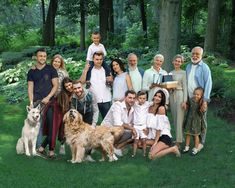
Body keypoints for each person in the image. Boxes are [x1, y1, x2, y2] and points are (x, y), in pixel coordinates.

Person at [27, 48, 59, 158]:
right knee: (37, 127)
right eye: (40, 56)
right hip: (36, 102)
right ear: (36, 57)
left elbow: (56, 85)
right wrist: (31, 102)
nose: (42, 58)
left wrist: (48, 97)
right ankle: (38, 148)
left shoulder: (51, 69)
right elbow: (30, 88)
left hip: (49, 102)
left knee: (51, 126)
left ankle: (48, 149)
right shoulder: (31, 71)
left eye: (44, 56)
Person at [186, 46, 212, 150]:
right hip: (191, 99)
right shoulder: (188, 66)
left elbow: (209, 83)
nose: (195, 56)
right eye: (193, 53)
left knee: (202, 121)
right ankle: (194, 140)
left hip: (200, 99)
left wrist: (205, 101)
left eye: (197, 54)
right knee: (192, 120)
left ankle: (201, 142)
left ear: (201, 55)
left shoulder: (204, 67)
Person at [101, 90, 137, 156]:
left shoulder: (133, 107)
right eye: (130, 98)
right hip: (105, 131)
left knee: (135, 133)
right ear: (125, 97)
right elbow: (117, 123)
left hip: (114, 132)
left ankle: (115, 147)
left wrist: (134, 129)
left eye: (134, 98)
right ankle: (107, 145)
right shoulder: (117, 105)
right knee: (120, 129)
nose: (132, 100)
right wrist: (132, 128)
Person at [71, 80, 99, 161]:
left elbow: (96, 110)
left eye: (79, 88)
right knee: (78, 136)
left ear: (82, 87)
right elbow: (73, 111)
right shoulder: (72, 98)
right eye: (75, 89)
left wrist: (93, 124)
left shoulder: (90, 94)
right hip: (78, 115)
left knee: (89, 136)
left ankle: (88, 155)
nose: (77, 90)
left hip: (88, 113)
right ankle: (77, 155)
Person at [148, 90, 181, 160]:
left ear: (162, 99)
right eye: (156, 95)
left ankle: (173, 149)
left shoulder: (161, 109)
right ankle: (160, 147)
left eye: (159, 97)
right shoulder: (150, 107)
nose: (157, 98)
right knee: (139, 143)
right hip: (154, 136)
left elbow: (159, 128)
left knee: (151, 156)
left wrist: (155, 143)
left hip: (163, 136)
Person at [80, 52, 112, 119]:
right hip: (93, 100)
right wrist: (85, 70)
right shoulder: (89, 70)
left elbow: (111, 83)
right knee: (91, 122)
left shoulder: (106, 70)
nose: (99, 61)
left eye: (101, 59)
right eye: (97, 59)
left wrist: (111, 80)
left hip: (105, 99)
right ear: (93, 59)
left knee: (108, 121)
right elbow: (82, 82)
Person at [169, 55, 187, 149]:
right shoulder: (170, 73)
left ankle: (178, 142)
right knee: (175, 118)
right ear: (173, 61)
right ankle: (179, 137)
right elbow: (168, 86)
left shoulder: (183, 73)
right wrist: (170, 89)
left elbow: (185, 87)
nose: (177, 62)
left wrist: (185, 101)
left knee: (180, 118)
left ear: (181, 63)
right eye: (176, 61)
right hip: (172, 96)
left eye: (179, 61)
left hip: (180, 95)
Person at [183, 87, 206, 156]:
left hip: (196, 122)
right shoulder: (191, 100)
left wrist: (203, 109)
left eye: (198, 95)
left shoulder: (201, 103)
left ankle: (196, 148)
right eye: (195, 94)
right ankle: (186, 147)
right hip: (189, 120)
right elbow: (188, 106)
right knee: (188, 133)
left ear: (201, 95)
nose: (196, 96)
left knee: (196, 135)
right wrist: (185, 105)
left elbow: (203, 112)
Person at [132, 91, 151, 157]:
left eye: (144, 98)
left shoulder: (147, 104)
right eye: (140, 98)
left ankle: (144, 153)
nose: (142, 100)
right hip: (136, 126)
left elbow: (155, 103)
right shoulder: (135, 104)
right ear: (137, 98)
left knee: (144, 140)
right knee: (136, 140)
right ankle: (134, 154)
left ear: (146, 99)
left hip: (143, 126)